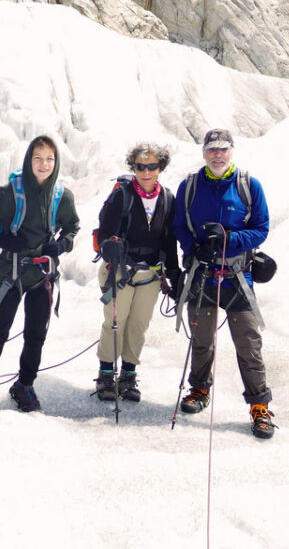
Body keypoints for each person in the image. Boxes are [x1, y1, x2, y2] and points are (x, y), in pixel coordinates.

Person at [173, 128, 275, 439]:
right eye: (212, 149)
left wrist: (229, 240)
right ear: (204, 152)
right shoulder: (190, 186)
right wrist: (195, 247)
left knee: (248, 345)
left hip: (237, 278)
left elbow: (261, 228)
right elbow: (179, 225)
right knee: (201, 339)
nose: (217, 155)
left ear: (231, 151)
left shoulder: (248, 185)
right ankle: (199, 389)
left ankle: (260, 406)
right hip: (202, 276)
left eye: (223, 149)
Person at [0, 135, 79, 413]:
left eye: (50, 159)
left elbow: (72, 227)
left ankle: (25, 385)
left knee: (35, 335)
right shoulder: (10, 194)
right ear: (29, 160)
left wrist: (61, 245)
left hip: (41, 274)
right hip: (12, 273)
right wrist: (1, 239)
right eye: (38, 158)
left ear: (56, 162)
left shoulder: (62, 196)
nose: (44, 164)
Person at [92, 143, 180, 403]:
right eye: (141, 167)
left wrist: (174, 274)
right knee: (115, 322)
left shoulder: (167, 199)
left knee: (138, 324)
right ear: (133, 168)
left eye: (152, 166)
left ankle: (128, 374)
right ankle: (106, 373)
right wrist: (110, 245)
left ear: (161, 168)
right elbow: (105, 231)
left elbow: (169, 240)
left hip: (150, 275)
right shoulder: (122, 195)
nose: (146, 172)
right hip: (120, 271)